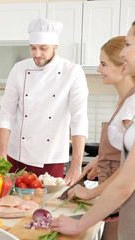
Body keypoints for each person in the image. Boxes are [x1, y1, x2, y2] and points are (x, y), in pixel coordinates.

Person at [50, 21, 135, 240]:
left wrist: (91, 193)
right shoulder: (125, 101)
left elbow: (126, 179)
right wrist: (100, 158)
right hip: (117, 202)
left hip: (124, 204)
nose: (99, 69)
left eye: (104, 64)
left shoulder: (131, 105)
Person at [0, 18, 88, 185]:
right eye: (33, 48)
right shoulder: (19, 69)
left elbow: (79, 120)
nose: (37, 54)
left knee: (46, 206)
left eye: (43, 48)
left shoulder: (73, 72)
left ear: (56, 46)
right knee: (12, 203)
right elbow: (6, 114)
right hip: (16, 156)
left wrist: (76, 164)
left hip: (51, 159)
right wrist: (1, 152)